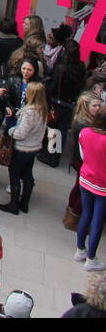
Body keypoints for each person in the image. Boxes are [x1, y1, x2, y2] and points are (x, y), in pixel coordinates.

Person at [0, 81, 49, 216]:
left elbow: (21, 133)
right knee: (27, 175)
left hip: (22, 148)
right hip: (34, 147)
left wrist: (10, 131)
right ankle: (24, 203)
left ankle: (13, 204)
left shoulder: (30, 112)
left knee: (14, 174)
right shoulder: (43, 109)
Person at [75, 107, 106, 271]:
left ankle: (80, 249)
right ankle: (91, 258)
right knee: (97, 221)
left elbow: (83, 155)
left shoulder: (84, 132)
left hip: (86, 178)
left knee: (86, 213)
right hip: (103, 186)